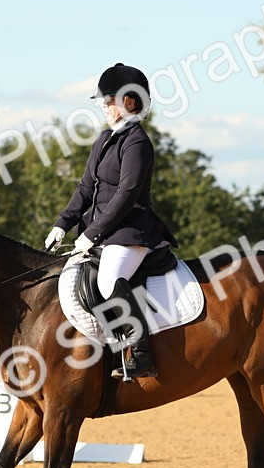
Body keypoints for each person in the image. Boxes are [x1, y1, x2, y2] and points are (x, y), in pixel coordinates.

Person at [44, 63, 176, 380]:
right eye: (103, 101)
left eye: (109, 100)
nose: (103, 106)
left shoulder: (137, 142)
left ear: (130, 101)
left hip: (130, 233)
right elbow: (85, 188)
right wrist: (62, 223)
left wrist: (92, 234)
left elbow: (127, 194)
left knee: (108, 281)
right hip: (104, 233)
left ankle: (142, 354)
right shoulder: (105, 138)